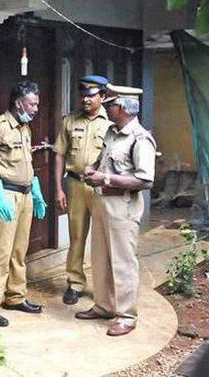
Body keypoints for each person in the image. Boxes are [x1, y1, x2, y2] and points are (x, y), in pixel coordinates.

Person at [77, 83, 156, 336]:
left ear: (121, 108)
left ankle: (126, 316)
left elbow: (145, 180)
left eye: (110, 104)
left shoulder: (140, 139)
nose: (107, 108)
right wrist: (92, 169)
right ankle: (104, 306)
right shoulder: (112, 132)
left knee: (123, 262)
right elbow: (104, 160)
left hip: (123, 207)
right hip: (102, 203)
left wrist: (106, 179)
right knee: (100, 258)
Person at [0, 80, 47, 327]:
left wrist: (35, 189)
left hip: (25, 196)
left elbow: (25, 162)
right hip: (6, 195)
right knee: (0, 251)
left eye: (36, 104)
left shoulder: (25, 128)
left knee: (19, 251)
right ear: (18, 103)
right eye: (32, 104)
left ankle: (15, 296)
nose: (36, 108)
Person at [54, 76, 112, 305]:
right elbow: (59, 155)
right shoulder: (69, 121)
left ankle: (103, 286)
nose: (85, 99)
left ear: (103, 96)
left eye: (91, 95)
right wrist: (58, 188)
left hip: (101, 188)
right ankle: (75, 283)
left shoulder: (111, 124)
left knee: (102, 238)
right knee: (76, 236)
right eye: (83, 95)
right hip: (75, 185)